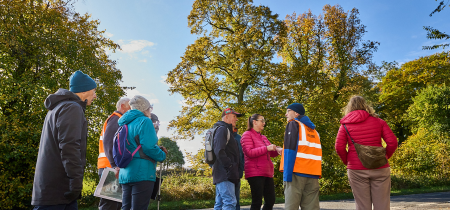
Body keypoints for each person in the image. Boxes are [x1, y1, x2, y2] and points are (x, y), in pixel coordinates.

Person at [32, 70, 97, 209]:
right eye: (94, 91)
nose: (95, 96)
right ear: (84, 91)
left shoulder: (58, 108)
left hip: (53, 190)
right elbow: (69, 146)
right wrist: (75, 181)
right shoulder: (72, 108)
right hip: (59, 190)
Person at [335, 96, 398, 210]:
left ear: (349, 107)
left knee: (362, 205)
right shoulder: (379, 122)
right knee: (382, 205)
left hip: (356, 168)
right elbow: (392, 142)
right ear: (366, 105)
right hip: (380, 166)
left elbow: (339, 147)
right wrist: (385, 156)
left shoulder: (345, 125)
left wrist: (348, 162)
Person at [118, 95, 167, 210]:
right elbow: (148, 147)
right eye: (150, 108)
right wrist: (162, 155)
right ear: (145, 108)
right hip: (142, 173)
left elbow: (134, 145)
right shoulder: (145, 121)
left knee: (126, 207)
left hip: (125, 172)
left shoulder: (123, 123)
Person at [280, 103, 322, 210]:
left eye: (288, 111)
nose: (286, 114)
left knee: (291, 207)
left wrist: (287, 175)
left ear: (296, 113)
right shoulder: (314, 131)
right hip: (313, 174)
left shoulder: (293, 124)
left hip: (296, 173)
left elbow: (290, 150)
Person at [241, 114, 281, 210]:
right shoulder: (247, 135)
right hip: (255, 173)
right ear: (254, 122)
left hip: (267, 172)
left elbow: (271, 153)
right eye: (262, 120)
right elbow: (249, 152)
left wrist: (278, 151)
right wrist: (267, 148)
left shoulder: (263, 137)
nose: (264, 123)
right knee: (257, 202)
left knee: (270, 200)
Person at [97, 97, 131, 210]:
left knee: (115, 204)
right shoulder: (116, 119)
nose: (131, 110)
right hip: (110, 167)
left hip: (111, 167)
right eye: (129, 107)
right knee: (109, 204)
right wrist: (114, 165)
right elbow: (108, 142)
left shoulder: (118, 120)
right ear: (122, 106)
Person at [213, 108, 242, 210]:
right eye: (234, 116)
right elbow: (219, 151)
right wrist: (230, 166)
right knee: (230, 202)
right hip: (225, 173)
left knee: (220, 204)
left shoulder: (225, 130)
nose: (236, 119)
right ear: (227, 117)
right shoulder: (222, 129)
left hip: (223, 173)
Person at [232, 125, 244, 210]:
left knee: (236, 202)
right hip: (224, 175)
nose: (236, 120)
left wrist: (241, 170)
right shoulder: (221, 134)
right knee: (224, 201)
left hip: (237, 174)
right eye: (234, 117)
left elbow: (243, 156)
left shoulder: (239, 138)